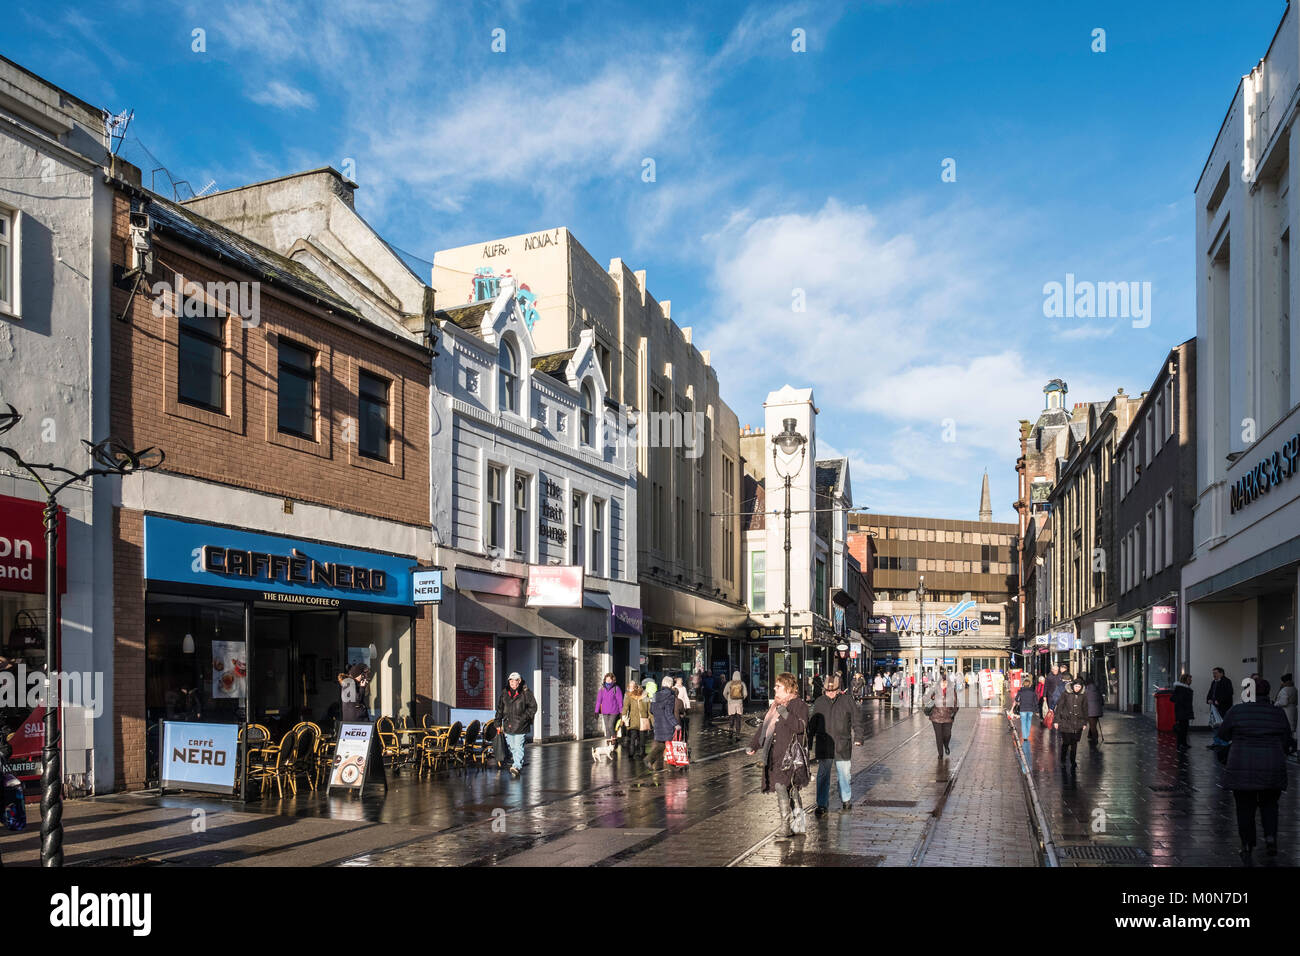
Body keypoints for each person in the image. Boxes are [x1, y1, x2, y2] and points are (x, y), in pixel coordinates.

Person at [1219, 677, 1291, 863]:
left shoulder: (1236, 711)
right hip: (1272, 765)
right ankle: (1270, 838)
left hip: (1242, 766)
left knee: (1244, 807)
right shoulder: (1277, 713)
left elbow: (1223, 734)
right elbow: (1286, 739)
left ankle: (1247, 844)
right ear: (1268, 692)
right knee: (1270, 805)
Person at [747, 672, 810, 838]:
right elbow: (765, 728)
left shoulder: (799, 705)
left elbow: (800, 727)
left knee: (783, 787)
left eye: (778, 686)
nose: (775, 689)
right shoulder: (774, 706)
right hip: (774, 755)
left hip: (790, 756)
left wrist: (785, 712)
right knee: (789, 790)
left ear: (788, 688)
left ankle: (786, 826)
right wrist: (754, 745)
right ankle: (798, 823)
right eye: (775, 686)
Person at [809, 674, 855, 816]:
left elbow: (856, 719)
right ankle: (822, 804)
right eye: (828, 691)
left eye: (833, 690)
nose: (830, 693)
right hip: (824, 744)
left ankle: (846, 799)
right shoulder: (819, 701)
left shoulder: (847, 700)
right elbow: (812, 724)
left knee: (844, 774)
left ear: (838, 689)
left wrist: (859, 736)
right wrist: (808, 743)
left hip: (842, 744)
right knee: (823, 775)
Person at [495, 672, 538, 779]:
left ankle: (517, 765)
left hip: (521, 725)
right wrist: (497, 722)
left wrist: (524, 718)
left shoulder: (526, 693)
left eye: (515, 681)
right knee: (512, 747)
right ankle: (518, 761)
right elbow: (500, 708)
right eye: (511, 681)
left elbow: (533, 707)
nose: (513, 683)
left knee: (518, 746)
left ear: (519, 681)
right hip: (508, 724)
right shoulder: (505, 693)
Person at [1052, 677, 1088, 767]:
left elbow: (1085, 709)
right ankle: (1063, 759)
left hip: (1077, 723)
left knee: (1074, 743)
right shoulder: (1066, 694)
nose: (1077, 688)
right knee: (1066, 742)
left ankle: (1073, 761)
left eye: (1079, 687)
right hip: (1066, 722)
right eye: (1076, 686)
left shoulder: (1083, 696)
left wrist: (1084, 722)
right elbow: (1059, 707)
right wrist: (1056, 721)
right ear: (1072, 686)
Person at [647, 679, 680, 771]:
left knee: (661, 745)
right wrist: (675, 724)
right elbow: (668, 712)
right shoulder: (670, 695)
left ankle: (649, 760)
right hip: (667, 724)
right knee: (670, 744)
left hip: (657, 723)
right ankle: (671, 766)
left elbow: (651, 710)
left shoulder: (655, 695)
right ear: (670, 685)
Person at [925, 670, 959, 758]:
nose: (944, 684)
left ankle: (946, 745)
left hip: (948, 717)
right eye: (942, 682)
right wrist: (931, 698)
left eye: (946, 682)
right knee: (938, 736)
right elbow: (926, 699)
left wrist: (953, 712)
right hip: (936, 717)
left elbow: (956, 704)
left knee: (947, 735)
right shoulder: (934, 690)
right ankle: (940, 754)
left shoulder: (952, 691)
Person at [623, 682, 651, 759]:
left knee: (637, 737)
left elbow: (649, 709)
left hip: (639, 720)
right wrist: (624, 717)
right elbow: (625, 707)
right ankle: (637, 753)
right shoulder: (630, 696)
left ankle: (634, 754)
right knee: (637, 737)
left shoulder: (644, 696)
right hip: (637, 720)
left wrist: (652, 719)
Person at [595, 673, 624, 745]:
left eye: (609, 679)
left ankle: (614, 738)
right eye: (606, 679)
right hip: (605, 711)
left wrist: (621, 712)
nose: (608, 680)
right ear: (605, 680)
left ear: (613, 680)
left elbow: (620, 701)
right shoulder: (602, 689)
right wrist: (596, 711)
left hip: (614, 711)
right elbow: (598, 701)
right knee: (607, 728)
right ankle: (608, 744)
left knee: (610, 725)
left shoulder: (616, 688)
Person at [1206, 667, 1233, 737]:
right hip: (1214, 707)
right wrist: (1208, 699)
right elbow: (1210, 692)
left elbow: (1229, 693)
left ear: (1221, 673)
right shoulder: (1214, 682)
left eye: (1215, 673)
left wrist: (1219, 701)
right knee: (1215, 725)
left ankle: (1223, 743)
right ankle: (1216, 742)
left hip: (1224, 707)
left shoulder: (1227, 681)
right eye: (1213, 673)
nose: (1214, 675)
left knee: (1223, 725)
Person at [1171, 673, 1194, 752]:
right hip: (1182, 711)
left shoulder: (1184, 688)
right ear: (1185, 680)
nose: (1191, 680)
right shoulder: (1181, 689)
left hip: (1184, 711)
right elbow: (1174, 699)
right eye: (1189, 679)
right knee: (1182, 729)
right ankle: (1180, 745)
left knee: (1185, 728)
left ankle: (1183, 743)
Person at [722, 670, 748, 738]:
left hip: (731, 703)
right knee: (738, 719)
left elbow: (724, 693)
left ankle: (730, 732)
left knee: (731, 718)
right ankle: (738, 734)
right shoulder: (742, 683)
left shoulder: (729, 683)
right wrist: (741, 699)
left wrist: (728, 699)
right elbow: (745, 694)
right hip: (739, 703)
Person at [1014, 674, 1038, 742]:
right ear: (1030, 684)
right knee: (1029, 722)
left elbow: (1016, 699)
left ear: (1023, 684)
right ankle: (1027, 734)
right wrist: (1037, 710)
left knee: (1023, 723)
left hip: (1023, 709)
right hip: (1030, 709)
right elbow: (1036, 702)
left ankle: (1025, 736)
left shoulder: (1020, 691)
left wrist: (1019, 701)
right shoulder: (1033, 692)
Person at [1084, 672, 1104, 745]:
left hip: (1090, 711)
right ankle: (1090, 735)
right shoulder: (1097, 690)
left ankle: (1095, 737)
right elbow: (1102, 701)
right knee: (1093, 724)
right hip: (1097, 711)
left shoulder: (1086, 691)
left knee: (1092, 725)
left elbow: (1084, 701)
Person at [1275, 674, 1297, 740]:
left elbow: (1284, 702)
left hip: (1286, 711)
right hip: (1293, 709)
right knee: (1292, 728)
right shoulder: (1294, 689)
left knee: (1287, 728)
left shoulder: (1284, 690)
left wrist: (1276, 703)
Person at [673, 676, 692, 741]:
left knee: (683, 721)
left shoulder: (683, 688)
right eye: (681, 681)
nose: (682, 682)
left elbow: (686, 697)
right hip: (677, 705)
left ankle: (683, 736)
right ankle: (679, 737)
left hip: (682, 706)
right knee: (679, 721)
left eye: (682, 681)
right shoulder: (674, 688)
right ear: (677, 681)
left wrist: (688, 706)